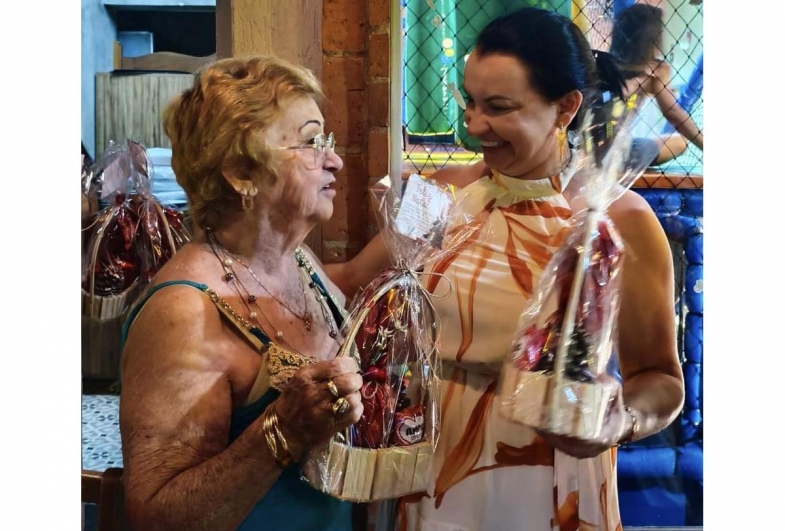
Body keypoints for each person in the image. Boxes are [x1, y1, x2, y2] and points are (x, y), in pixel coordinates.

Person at [327, 7, 684, 531]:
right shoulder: (440, 194)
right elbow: (354, 281)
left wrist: (619, 423)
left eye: (498, 107)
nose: (474, 125)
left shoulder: (617, 222)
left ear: (565, 108)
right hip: (430, 458)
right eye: (470, 102)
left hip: (546, 476)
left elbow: (660, 379)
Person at [118, 56, 365, 531]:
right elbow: (156, 516)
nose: (333, 160)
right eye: (311, 142)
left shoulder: (301, 262)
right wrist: (283, 432)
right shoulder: (182, 311)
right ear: (240, 173)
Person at [610, 3, 702, 164]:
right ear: (653, 42)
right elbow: (674, 113)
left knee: (676, 141)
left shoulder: (607, 64)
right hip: (616, 155)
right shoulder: (653, 74)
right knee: (680, 142)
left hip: (592, 147)